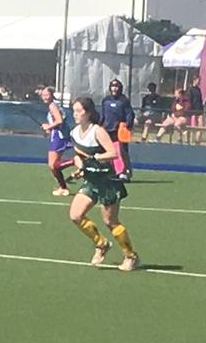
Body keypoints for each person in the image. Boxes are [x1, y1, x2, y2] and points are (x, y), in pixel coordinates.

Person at [66, 97, 139, 272]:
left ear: (88, 113)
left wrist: (96, 158)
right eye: (74, 110)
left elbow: (113, 153)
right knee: (75, 215)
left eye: (79, 111)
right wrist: (81, 168)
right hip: (91, 181)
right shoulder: (75, 132)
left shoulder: (97, 131)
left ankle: (131, 256)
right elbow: (78, 155)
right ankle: (101, 244)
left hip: (107, 181)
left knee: (110, 221)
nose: (75, 114)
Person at [39, 86, 75, 197]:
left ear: (51, 95)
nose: (44, 97)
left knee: (53, 165)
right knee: (52, 165)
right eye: (43, 95)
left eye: (47, 95)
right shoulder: (52, 106)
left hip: (59, 137)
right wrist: (49, 128)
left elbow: (59, 121)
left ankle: (75, 161)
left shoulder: (53, 106)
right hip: (56, 136)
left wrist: (49, 126)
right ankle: (63, 187)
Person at [99, 79, 135, 181]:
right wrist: (99, 124)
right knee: (109, 152)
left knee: (122, 152)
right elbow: (103, 115)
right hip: (107, 130)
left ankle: (125, 172)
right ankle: (112, 171)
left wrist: (128, 125)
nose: (114, 88)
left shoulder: (124, 101)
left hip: (120, 130)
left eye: (116, 86)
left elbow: (129, 114)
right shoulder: (106, 100)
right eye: (112, 86)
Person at [186, 76, 206, 144]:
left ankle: (197, 141)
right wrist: (190, 111)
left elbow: (200, 100)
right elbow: (189, 100)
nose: (199, 81)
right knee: (192, 126)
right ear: (194, 80)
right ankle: (188, 140)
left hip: (199, 109)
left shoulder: (198, 89)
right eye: (198, 80)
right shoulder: (190, 89)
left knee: (201, 126)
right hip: (192, 110)